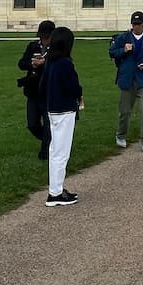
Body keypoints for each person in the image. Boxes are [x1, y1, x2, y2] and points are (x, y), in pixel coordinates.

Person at [39, 26, 82, 206]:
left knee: (54, 149)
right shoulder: (65, 63)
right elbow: (73, 87)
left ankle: (56, 188)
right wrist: (79, 94)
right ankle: (55, 193)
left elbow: (43, 86)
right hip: (64, 110)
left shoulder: (50, 61)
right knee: (61, 152)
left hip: (53, 109)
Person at [110, 11, 143, 151]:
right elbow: (112, 52)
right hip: (127, 78)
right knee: (125, 111)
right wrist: (124, 50)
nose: (136, 27)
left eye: (138, 24)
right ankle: (120, 135)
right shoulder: (124, 37)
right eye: (134, 24)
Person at [17, 18, 55, 160]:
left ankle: (45, 153)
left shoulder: (57, 50)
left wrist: (45, 64)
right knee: (32, 124)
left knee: (48, 125)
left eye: (46, 37)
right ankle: (50, 141)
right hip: (33, 91)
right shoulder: (33, 47)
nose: (44, 40)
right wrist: (32, 64)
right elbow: (21, 63)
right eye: (42, 37)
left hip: (48, 92)